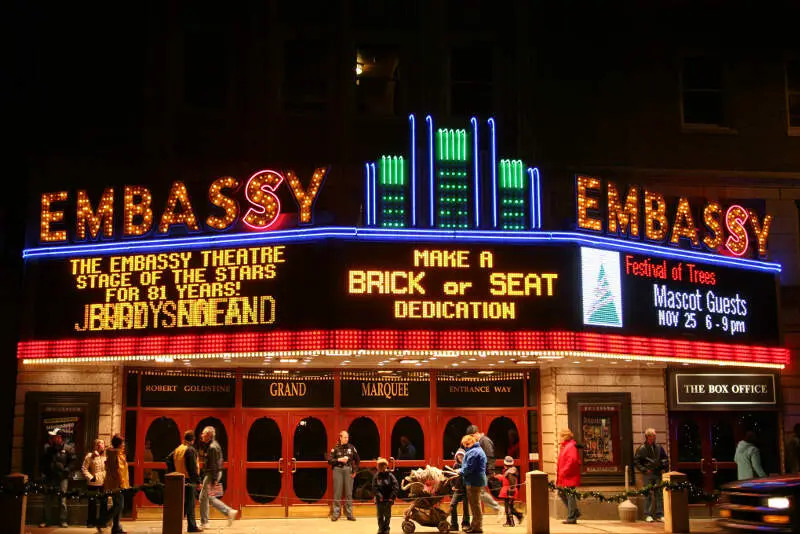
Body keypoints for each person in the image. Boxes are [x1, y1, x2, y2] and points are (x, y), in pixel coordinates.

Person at [199, 426, 237, 528]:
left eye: (203, 433)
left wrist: (214, 479)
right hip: (213, 473)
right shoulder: (213, 445)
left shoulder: (212, 447)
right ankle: (228, 512)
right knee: (209, 497)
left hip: (212, 473)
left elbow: (215, 464)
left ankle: (204, 522)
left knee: (203, 497)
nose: (201, 435)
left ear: (209, 435)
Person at [466, 425, 503, 522]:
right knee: (478, 493)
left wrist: (490, 473)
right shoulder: (480, 442)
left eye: (472, 436)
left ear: (476, 433)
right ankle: (478, 518)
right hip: (482, 472)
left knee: (480, 493)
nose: (472, 439)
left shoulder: (484, 441)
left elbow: (490, 457)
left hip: (485, 472)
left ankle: (498, 508)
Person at [40, 428, 74, 528]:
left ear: (59, 438)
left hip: (62, 478)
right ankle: (47, 520)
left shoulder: (68, 448)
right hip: (50, 477)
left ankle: (63, 520)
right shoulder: (48, 449)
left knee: (63, 500)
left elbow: (72, 461)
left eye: (53, 436)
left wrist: (67, 470)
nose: (51, 438)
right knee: (48, 499)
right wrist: (44, 473)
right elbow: (43, 462)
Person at [169, 430, 203, 532]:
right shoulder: (190, 450)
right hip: (189, 480)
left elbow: (168, 459)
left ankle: (181, 525)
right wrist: (198, 481)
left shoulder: (178, 449)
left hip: (179, 479)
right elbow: (192, 468)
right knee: (190, 504)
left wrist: (174, 471)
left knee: (184, 503)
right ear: (193, 440)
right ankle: (189, 526)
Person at [634, 428, 669, 523]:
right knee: (648, 494)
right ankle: (647, 515)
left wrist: (663, 466)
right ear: (648, 436)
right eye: (653, 435)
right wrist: (645, 470)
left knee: (659, 494)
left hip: (657, 473)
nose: (655, 437)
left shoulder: (658, 447)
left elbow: (665, 458)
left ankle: (660, 514)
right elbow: (637, 462)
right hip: (648, 474)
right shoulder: (642, 448)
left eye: (655, 435)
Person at [328, 430, 360, 521]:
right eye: (345, 437)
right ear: (340, 437)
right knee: (337, 492)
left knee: (349, 493)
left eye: (347, 437)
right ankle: (336, 513)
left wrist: (355, 470)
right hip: (337, 470)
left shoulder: (352, 447)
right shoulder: (335, 448)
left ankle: (349, 514)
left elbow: (357, 460)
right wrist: (339, 460)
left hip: (348, 470)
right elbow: (330, 461)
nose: (347, 439)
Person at [101, 434, 129, 534]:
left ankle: (116, 528)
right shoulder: (117, 454)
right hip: (117, 484)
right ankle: (103, 520)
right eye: (123, 443)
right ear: (119, 444)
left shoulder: (112, 454)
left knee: (118, 504)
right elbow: (119, 471)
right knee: (119, 505)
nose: (124, 444)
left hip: (113, 483)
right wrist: (122, 484)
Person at [459, 434, 487, 534]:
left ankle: (477, 527)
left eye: (466, 444)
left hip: (473, 481)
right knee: (475, 505)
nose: (465, 446)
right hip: (476, 480)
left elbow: (469, 468)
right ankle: (475, 525)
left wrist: (460, 472)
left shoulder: (474, 452)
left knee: (475, 505)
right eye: (464, 445)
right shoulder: (477, 450)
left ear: (471, 442)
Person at [557, 428, 581, 525]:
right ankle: (575, 512)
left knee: (569, 495)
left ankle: (572, 517)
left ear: (565, 436)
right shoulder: (566, 446)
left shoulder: (570, 446)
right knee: (561, 493)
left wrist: (564, 471)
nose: (559, 439)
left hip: (569, 476)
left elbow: (572, 461)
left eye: (561, 436)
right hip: (565, 476)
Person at [82, 438, 107, 529]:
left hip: (103, 483)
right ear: (96, 445)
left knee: (103, 503)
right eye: (101, 444)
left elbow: (106, 469)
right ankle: (91, 521)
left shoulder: (105, 456)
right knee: (92, 503)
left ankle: (102, 522)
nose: (103, 445)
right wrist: (91, 477)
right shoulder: (90, 455)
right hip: (93, 483)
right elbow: (84, 468)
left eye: (103, 444)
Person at [372, 457, 399, 534]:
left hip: (388, 499)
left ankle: (387, 528)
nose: (378, 467)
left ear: (385, 466)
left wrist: (392, 497)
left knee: (387, 515)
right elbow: (374, 488)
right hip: (379, 499)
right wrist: (379, 496)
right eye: (378, 465)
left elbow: (396, 486)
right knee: (380, 515)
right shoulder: (376, 476)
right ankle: (380, 528)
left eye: (380, 465)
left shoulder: (390, 475)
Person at [497, 456, 524, 527]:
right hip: (509, 490)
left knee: (508, 507)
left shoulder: (510, 472)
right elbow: (505, 479)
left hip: (509, 491)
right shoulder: (509, 471)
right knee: (509, 507)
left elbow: (512, 483)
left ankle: (511, 522)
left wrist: (510, 493)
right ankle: (515, 518)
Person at [449, 448, 470, 531]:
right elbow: (452, 477)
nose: (460, 456)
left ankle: (466, 524)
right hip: (457, 489)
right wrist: (452, 486)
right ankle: (454, 524)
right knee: (452, 505)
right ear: (456, 456)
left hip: (466, 489)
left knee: (466, 507)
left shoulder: (467, 465)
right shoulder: (455, 465)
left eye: (462, 455)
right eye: (459, 455)